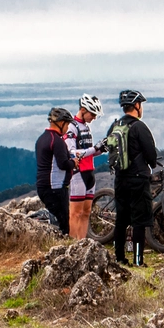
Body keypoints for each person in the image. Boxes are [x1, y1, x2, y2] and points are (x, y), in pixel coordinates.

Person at [108, 89, 158, 266]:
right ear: (136, 106)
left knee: (121, 220)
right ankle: (138, 261)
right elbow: (151, 156)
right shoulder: (139, 127)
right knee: (139, 221)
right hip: (138, 179)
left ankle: (119, 258)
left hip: (120, 178)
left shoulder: (115, 126)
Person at [64, 93, 105, 240]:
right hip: (78, 173)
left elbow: (89, 153)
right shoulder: (72, 127)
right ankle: (72, 243)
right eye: (92, 114)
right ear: (83, 110)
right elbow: (72, 152)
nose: (94, 117)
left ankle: (81, 242)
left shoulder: (86, 127)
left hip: (89, 172)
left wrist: (101, 149)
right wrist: (95, 148)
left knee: (86, 212)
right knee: (76, 212)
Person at [35, 107, 76, 236]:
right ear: (61, 123)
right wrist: (74, 163)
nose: (67, 128)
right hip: (55, 187)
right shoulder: (57, 141)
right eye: (67, 124)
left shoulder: (41, 139)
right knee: (62, 225)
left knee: (53, 220)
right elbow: (63, 164)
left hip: (43, 186)